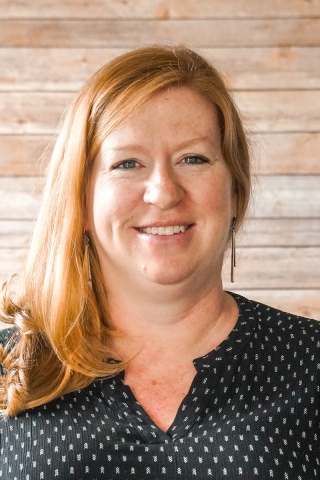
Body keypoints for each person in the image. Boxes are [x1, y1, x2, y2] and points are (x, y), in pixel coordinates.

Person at [0, 45, 319, 480]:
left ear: (235, 193)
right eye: (127, 163)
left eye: (193, 158)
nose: (164, 192)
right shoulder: (8, 366)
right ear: (80, 198)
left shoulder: (310, 360)